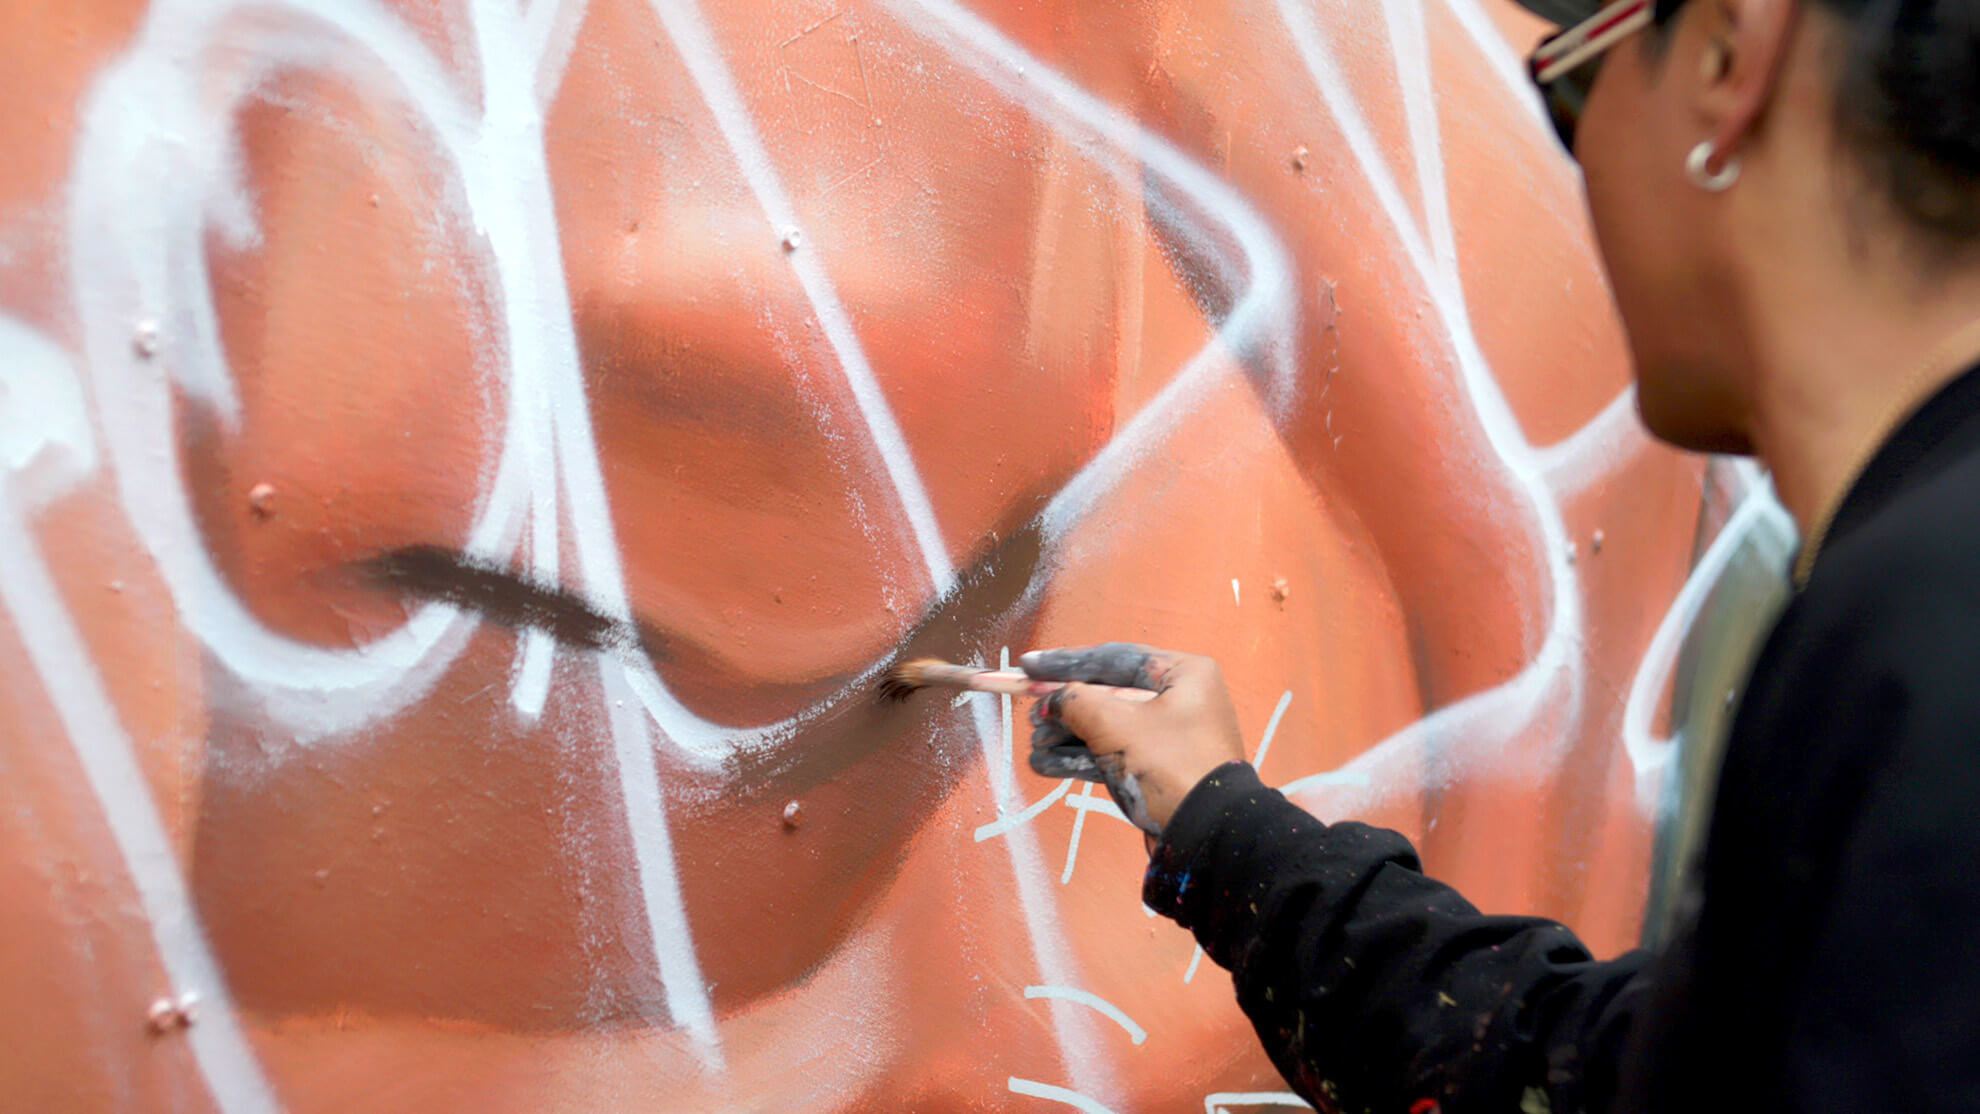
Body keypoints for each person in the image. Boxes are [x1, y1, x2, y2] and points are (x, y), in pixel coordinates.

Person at [1023, 0, 1980, 1110]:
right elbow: (1616, 1077)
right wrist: (1222, 833)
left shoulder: (1923, 636)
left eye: (1572, 96)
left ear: (1730, 55)